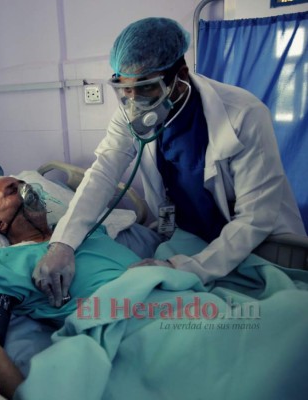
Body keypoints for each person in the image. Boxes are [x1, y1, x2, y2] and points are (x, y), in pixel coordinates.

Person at [32, 17, 307, 307]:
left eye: (146, 88)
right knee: (156, 301)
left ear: (181, 77)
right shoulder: (129, 114)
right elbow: (103, 171)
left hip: (257, 245)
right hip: (190, 237)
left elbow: (256, 218)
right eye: (125, 90)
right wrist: (63, 243)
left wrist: (183, 269)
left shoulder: (244, 114)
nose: (134, 102)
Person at [0, 176, 142, 398]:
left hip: (168, 291)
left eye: (23, 183)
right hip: (122, 326)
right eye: (11, 191)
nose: (27, 189)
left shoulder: (83, 227)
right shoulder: (4, 263)